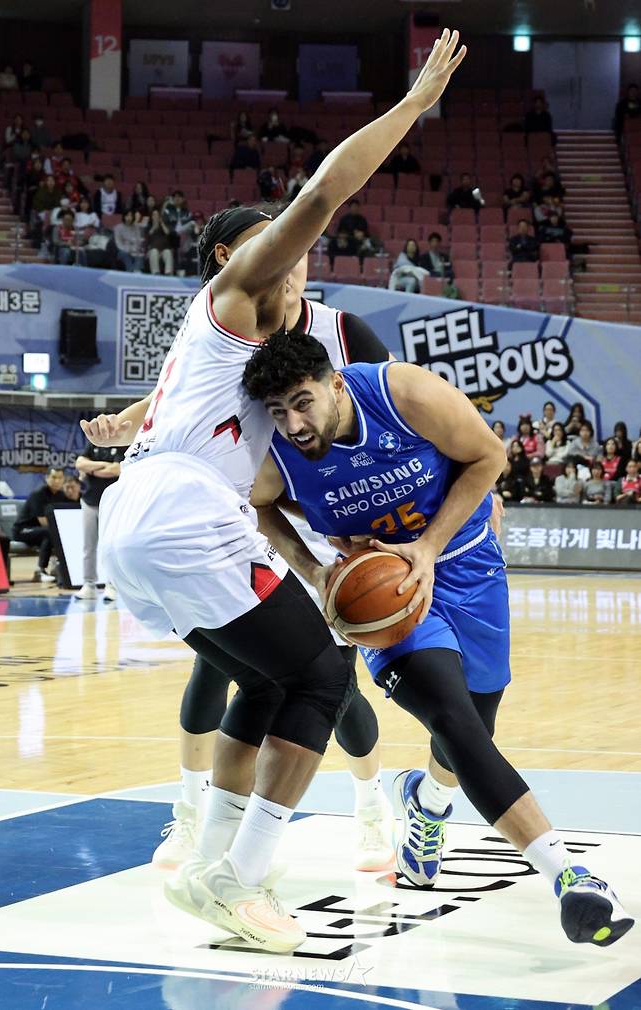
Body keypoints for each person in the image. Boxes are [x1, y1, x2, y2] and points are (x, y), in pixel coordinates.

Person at [80, 28, 469, 955]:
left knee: (262, 677)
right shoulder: (244, 291)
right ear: (243, 259)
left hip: (147, 516)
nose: (291, 258)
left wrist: (122, 429)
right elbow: (326, 190)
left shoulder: (289, 342)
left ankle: (210, 853)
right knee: (325, 676)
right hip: (182, 514)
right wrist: (414, 106)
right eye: (277, 247)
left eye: (292, 251)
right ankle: (238, 878)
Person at [244, 329, 633, 947]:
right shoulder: (273, 454)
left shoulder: (402, 393)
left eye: (302, 401)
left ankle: (425, 802)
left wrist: (427, 546)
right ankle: (572, 875)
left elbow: (489, 456)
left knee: (477, 717)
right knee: (454, 719)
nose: (293, 422)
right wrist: (314, 568)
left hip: (468, 566)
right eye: (278, 411)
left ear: (335, 384)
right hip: (388, 599)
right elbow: (259, 504)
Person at [152, 245, 399, 876]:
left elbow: (398, 418)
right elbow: (173, 408)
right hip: (244, 526)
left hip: (330, 530)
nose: (291, 264)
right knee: (218, 672)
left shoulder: (342, 330)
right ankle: (195, 819)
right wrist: (127, 435)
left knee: (332, 687)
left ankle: (372, 807)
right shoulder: (232, 332)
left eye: (298, 253)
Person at [74, 443, 121, 601]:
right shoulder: (92, 444)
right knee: (88, 547)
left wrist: (90, 469)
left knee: (110, 547)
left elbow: (116, 470)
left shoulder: (121, 445)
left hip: (111, 503)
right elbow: (79, 464)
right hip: (89, 501)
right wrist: (102, 466)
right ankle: (89, 584)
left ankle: (112, 585)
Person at [11, 468, 67, 581]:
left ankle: (58, 568)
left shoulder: (62, 496)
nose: (57, 481)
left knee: (53, 534)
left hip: (41, 531)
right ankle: (40, 571)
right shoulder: (38, 494)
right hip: (23, 530)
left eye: (60, 478)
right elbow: (43, 522)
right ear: (47, 478)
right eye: (54, 477)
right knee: (48, 533)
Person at [146, 209, 174, 275]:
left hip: (164, 249)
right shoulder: (148, 226)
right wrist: (154, 227)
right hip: (153, 250)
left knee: (168, 252)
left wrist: (161, 223)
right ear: (152, 217)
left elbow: (167, 233)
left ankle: (168, 273)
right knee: (154, 252)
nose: (156, 216)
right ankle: (156, 273)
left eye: (157, 215)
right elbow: (148, 236)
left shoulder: (163, 226)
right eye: (154, 215)